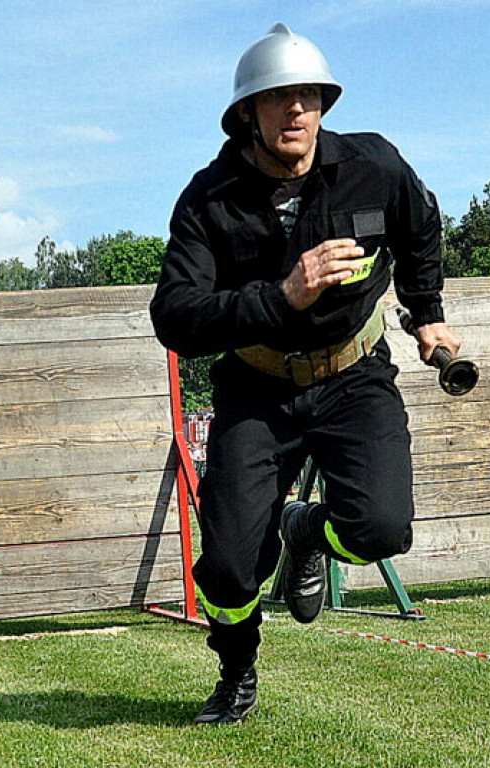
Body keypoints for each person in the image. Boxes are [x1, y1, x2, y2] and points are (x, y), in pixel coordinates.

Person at [149, 24, 460, 725]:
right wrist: (281, 295)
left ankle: (306, 531)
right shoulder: (207, 200)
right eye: (279, 97)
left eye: (309, 97)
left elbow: (422, 227)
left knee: (380, 529)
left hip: (355, 374)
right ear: (247, 115)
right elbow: (175, 315)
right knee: (229, 568)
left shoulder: (373, 164)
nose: (296, 110)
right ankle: (237, 670)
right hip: (256, 389)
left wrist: (428, 310)